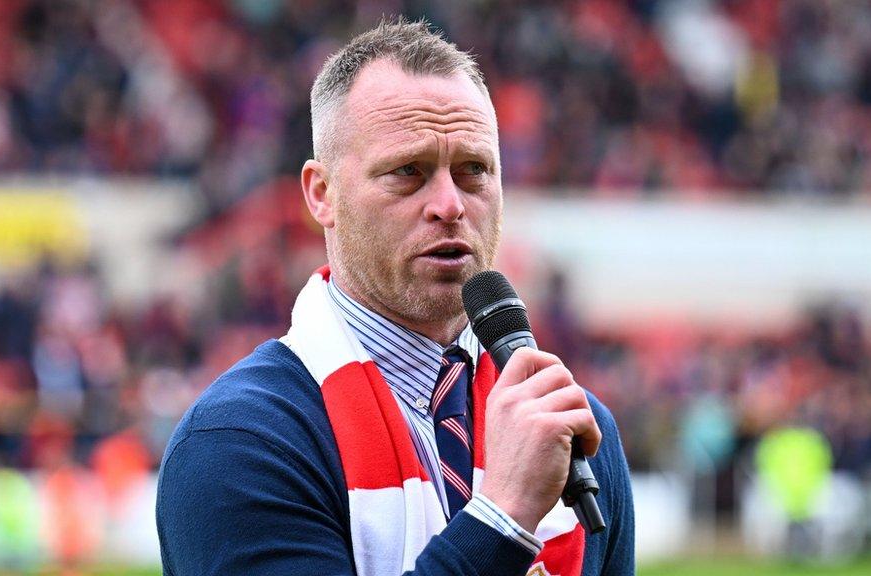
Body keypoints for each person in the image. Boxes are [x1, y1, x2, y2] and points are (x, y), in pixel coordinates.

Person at [155, 18, 634, 576]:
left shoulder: (577, 428)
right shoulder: (241, 441)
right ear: (321, 194)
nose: (450, 204)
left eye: (474, 170)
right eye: (409, 172)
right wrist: (502, 520)